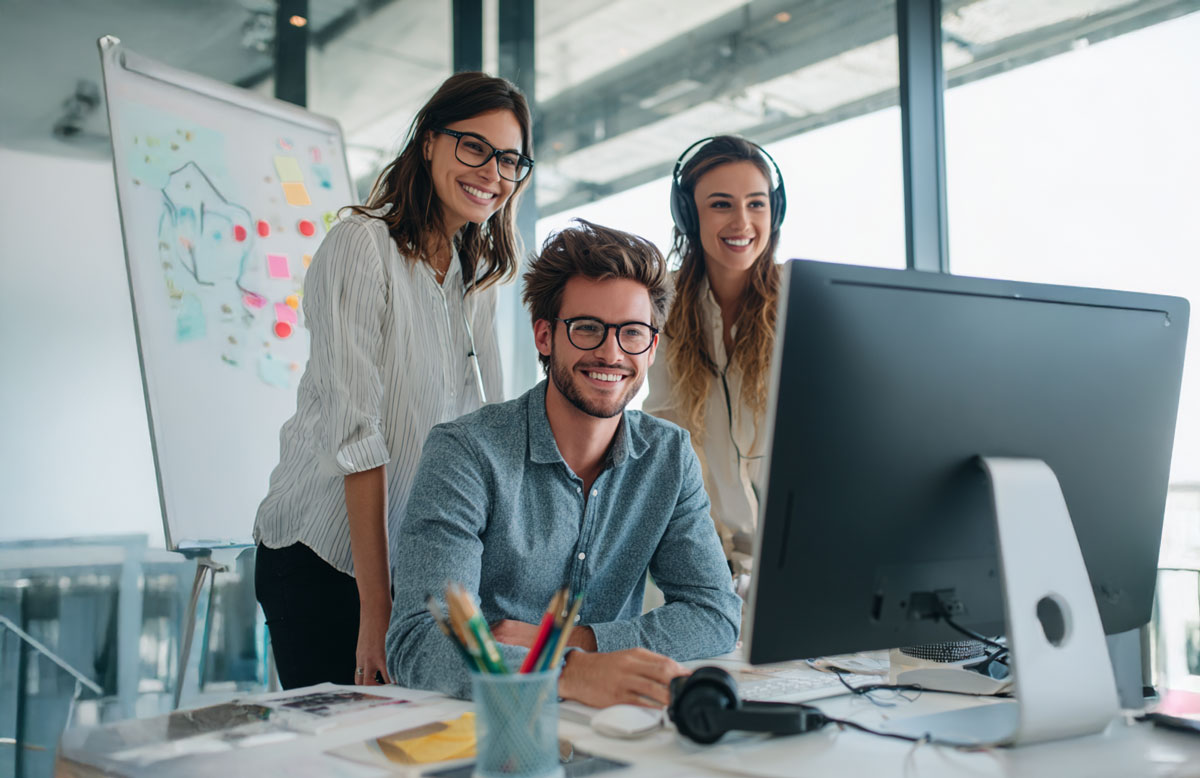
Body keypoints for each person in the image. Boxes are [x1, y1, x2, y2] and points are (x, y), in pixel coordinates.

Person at [253, 72, 535, 690]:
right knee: (346, 740)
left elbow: (486, 425)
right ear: (429, 141)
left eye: (509, 160)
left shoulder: (476, 276)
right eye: (474, 147)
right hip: (322, 558)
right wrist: (375, 610)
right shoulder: (362, 245)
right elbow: (359, 439)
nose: (492, 173)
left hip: (411, 570)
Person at [386, 220, 741, 706]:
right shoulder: (465, 452)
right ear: (545, 336)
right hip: (485, 724)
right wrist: (571, 675)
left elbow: (715, 613)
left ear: (652, 347)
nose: (611, 353)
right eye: (587, 328)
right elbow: (419, 641)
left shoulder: (670, 457)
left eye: (632, 333)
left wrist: (576, 645)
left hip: (614, 726)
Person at [644, 136, 787, 583]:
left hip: (792, 552)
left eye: (756, 204)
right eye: (721, 204)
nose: (742, 221)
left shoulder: (799, 300)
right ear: (689, 214)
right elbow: (665, 433)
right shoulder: (661, 304)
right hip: (702, 554)